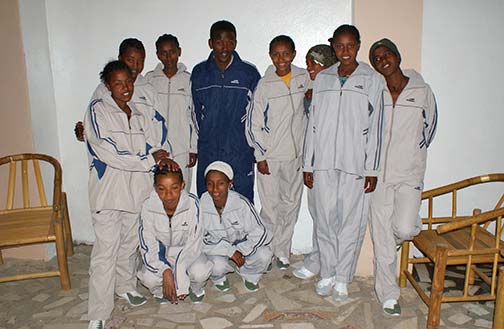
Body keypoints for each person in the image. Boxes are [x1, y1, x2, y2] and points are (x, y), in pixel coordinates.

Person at [83, 61, 176, 329]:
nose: (126, 88)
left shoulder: (137, 113)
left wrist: (159, 153)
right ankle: (98, 313)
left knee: (128, 245)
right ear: (108, 85)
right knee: (105, 253)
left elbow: (153, 142)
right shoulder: (98, 110)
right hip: (109, 194)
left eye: (129, 82)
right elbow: (107, 151)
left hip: (136, 192)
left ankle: (124, 286)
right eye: (118, 83)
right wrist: (148, 160)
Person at [302, 25, 384, 301]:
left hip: (355, 165)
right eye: (339, 46)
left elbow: (376, 128)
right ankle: (326, 273)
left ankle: (341, 278)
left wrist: (371, 168)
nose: (345, 51)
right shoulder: (323, 78)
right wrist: (307, 164)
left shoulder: (371, 80)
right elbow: (312, 124)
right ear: (333, 47)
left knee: (350, 223)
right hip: (323, 162)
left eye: (350, 45)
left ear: (358, 46)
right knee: (324, 221)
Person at [368, 38, 437, 316]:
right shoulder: (375, 92)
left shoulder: (421, 90)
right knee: (382, 242)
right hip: (378, 178)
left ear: (397, 56)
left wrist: (414, 156)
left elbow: (429, 128)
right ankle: (388, 295)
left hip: (409, 174)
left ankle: (395, 236)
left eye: (387, 55)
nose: (383, 60)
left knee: (405, 229)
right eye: (376, 58)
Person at [246, 35, 310, 270]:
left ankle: (283, 251)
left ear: (293, 54)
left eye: (285, 53)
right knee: (270, 208)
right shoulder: (265, 85)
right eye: (276, 54)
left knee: (290, 205)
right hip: (270, 159)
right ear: (270, 56)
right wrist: (260, 156)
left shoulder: (304, 77)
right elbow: (253, 123)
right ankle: (267, 252)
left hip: (295, 158)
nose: (280, 59)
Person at [191, 20, 261, 202]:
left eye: (230, 42)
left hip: (240, 150)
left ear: (235, 43)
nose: (224, 47)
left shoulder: (248, 73)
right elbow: (193, 113)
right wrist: (203, 140)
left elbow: (257, 114)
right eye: (219, 42)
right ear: (210, 43)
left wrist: (254, 147)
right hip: (209, 150)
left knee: (243, 202)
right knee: (208, 202)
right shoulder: (199, 73)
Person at [292, 44, 338, 280]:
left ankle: (325, 262)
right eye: (308, 62)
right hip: (312, 160)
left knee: (328, 216)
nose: (308, 67)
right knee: (317, 213)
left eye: (313, 63)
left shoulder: (333, 90)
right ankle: (318, 259)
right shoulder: (312, 89)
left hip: (331, 163)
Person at [75, 38, 168, 152]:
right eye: (130, 60)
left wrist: (152, 152)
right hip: (115, 159)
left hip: (145, 158)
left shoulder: (149, 91)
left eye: (140, 61)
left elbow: (160, 126)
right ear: (120, 58)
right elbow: (93, 126)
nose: (135, 66)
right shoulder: (103, 90)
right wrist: (84, 133)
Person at [137, 166, 212, 305]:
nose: (168, 195)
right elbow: (147, 244)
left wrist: (180, 280)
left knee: (200, 272)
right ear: (154, 188)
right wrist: (165, 270)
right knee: (149, 278)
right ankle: (161, 291)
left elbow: (194, 243)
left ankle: (196, 288)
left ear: (183, 185)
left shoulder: (192, 204)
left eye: (174, 188)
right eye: (161, 189)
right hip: (162, 253)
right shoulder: (148, 206)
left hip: (188, 251)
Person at [200, 161, 272, 292]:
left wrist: (243, 250)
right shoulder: (201, 206)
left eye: (221, 183)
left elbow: (261, 233)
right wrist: (229, 251)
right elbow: (201, 240)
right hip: (218, 249)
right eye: (210, 184)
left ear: (230, 183)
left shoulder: (241, 204)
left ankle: (249, 274)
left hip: (242, 245)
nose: (215, 189)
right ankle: (218, 278)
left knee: (264, 255)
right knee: (216, 266)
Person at [145, 34, 198, 191]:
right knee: (157, 194)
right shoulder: (149, 79)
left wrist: (193, 148)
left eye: (172, 51)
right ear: (158, 55)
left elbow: (194, 116)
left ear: (179, 51)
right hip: (156, 150)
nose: (168, 57)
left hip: (182, 150)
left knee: (182, 194)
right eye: (163, 52)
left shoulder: (189, 80)